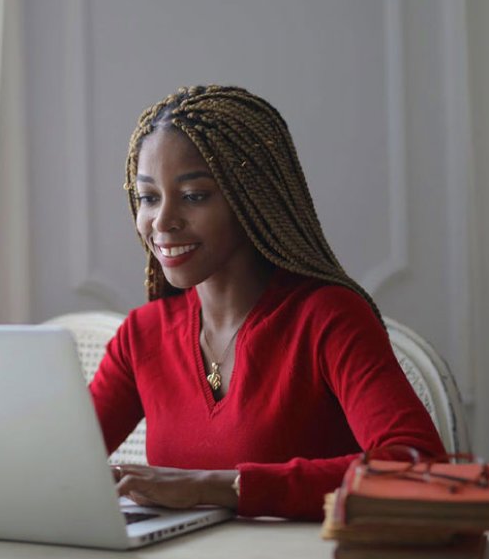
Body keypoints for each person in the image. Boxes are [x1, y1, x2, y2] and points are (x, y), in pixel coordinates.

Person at [89, 85, 445, 521]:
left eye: (194, 196)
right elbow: (58, 463)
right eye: (149, 197)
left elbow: (420, 468)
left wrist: (216, 487)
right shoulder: (142, 335)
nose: (162, 221)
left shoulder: (327, 317)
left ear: (251, 198)